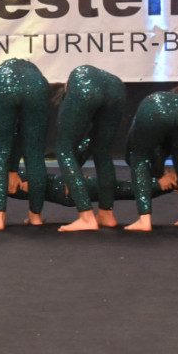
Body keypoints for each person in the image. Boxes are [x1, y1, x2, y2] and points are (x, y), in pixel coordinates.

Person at [120, 65, 178, 232]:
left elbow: (149, 149)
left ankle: (144, 219)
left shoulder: (165, 101)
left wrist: (159, 174)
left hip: (155, 107)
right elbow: (163, 148)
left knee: (138, 158)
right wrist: (160, 172)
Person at [0, 57, 51, 229]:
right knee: (35, 154)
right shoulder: (34, 74)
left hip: (4, 86)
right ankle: (36, 216)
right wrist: (13, 169)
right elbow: (22, 133)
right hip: (37, 88)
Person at [52, 64, 127, 232]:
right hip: (117, 88)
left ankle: (86, 217)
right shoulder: (104, 80)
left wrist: (71, 177)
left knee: (64, 149)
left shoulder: (74, 86)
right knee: (103, 150)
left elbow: (68, 146)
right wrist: (74, 174)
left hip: (85, 83)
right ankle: (107, 214)